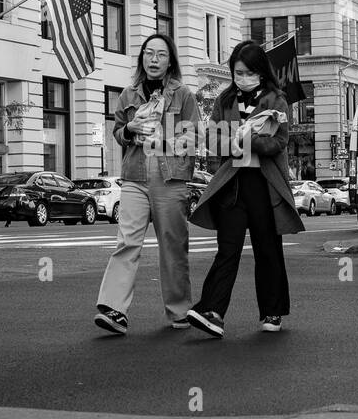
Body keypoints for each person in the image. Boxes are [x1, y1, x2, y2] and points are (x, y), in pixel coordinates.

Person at [186, 41, 305, 338]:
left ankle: (272, 311)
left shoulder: (276, 99)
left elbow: (279, 142)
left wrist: (249, 139)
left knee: (268, 249)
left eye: (249, 72)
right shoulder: (224, 100)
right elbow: (212, 140)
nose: (243, 77)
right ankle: (212, 310)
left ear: (261, 72)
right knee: (227, 249)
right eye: (238, 72)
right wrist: (232, 143)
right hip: (233, 184)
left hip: (264, 184)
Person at [93, 33, 199, 335]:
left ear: (170, 61)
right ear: (142, 58)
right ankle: (114, 309)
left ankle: (179, 311)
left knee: (173, 246)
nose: (154, 59)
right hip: (135, 177)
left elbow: (193, 138)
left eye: (161, 54)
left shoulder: (183, 95)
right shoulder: (128, 94)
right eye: (148, 53)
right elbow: (117, 132)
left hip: (170, 178)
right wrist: (130, 128)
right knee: (126, 242)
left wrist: (161, 139)